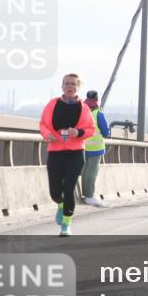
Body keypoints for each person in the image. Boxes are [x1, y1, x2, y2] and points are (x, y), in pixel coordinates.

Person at [39, 73, 96, 236]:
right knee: (55, 192)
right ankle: (60, 204)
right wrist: (47, 134)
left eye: (73, 84)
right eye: (67, 83)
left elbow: (91, 129)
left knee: (69, 187)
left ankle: (66, 224)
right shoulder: (52, 104)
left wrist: (78, 132)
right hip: (55, 151)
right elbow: (43, 124)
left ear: (78, 87)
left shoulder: (83, 108)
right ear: (62, 86)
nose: (70, 86)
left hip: (75, 153)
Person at [80, 89, 111, 206]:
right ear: (97, 100)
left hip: (83, 147)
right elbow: (106, 132)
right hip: (96, 147)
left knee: (85, 171)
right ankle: (89, 196)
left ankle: (85, 194)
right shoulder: (98, 113)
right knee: (92, 173)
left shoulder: (82, 111)